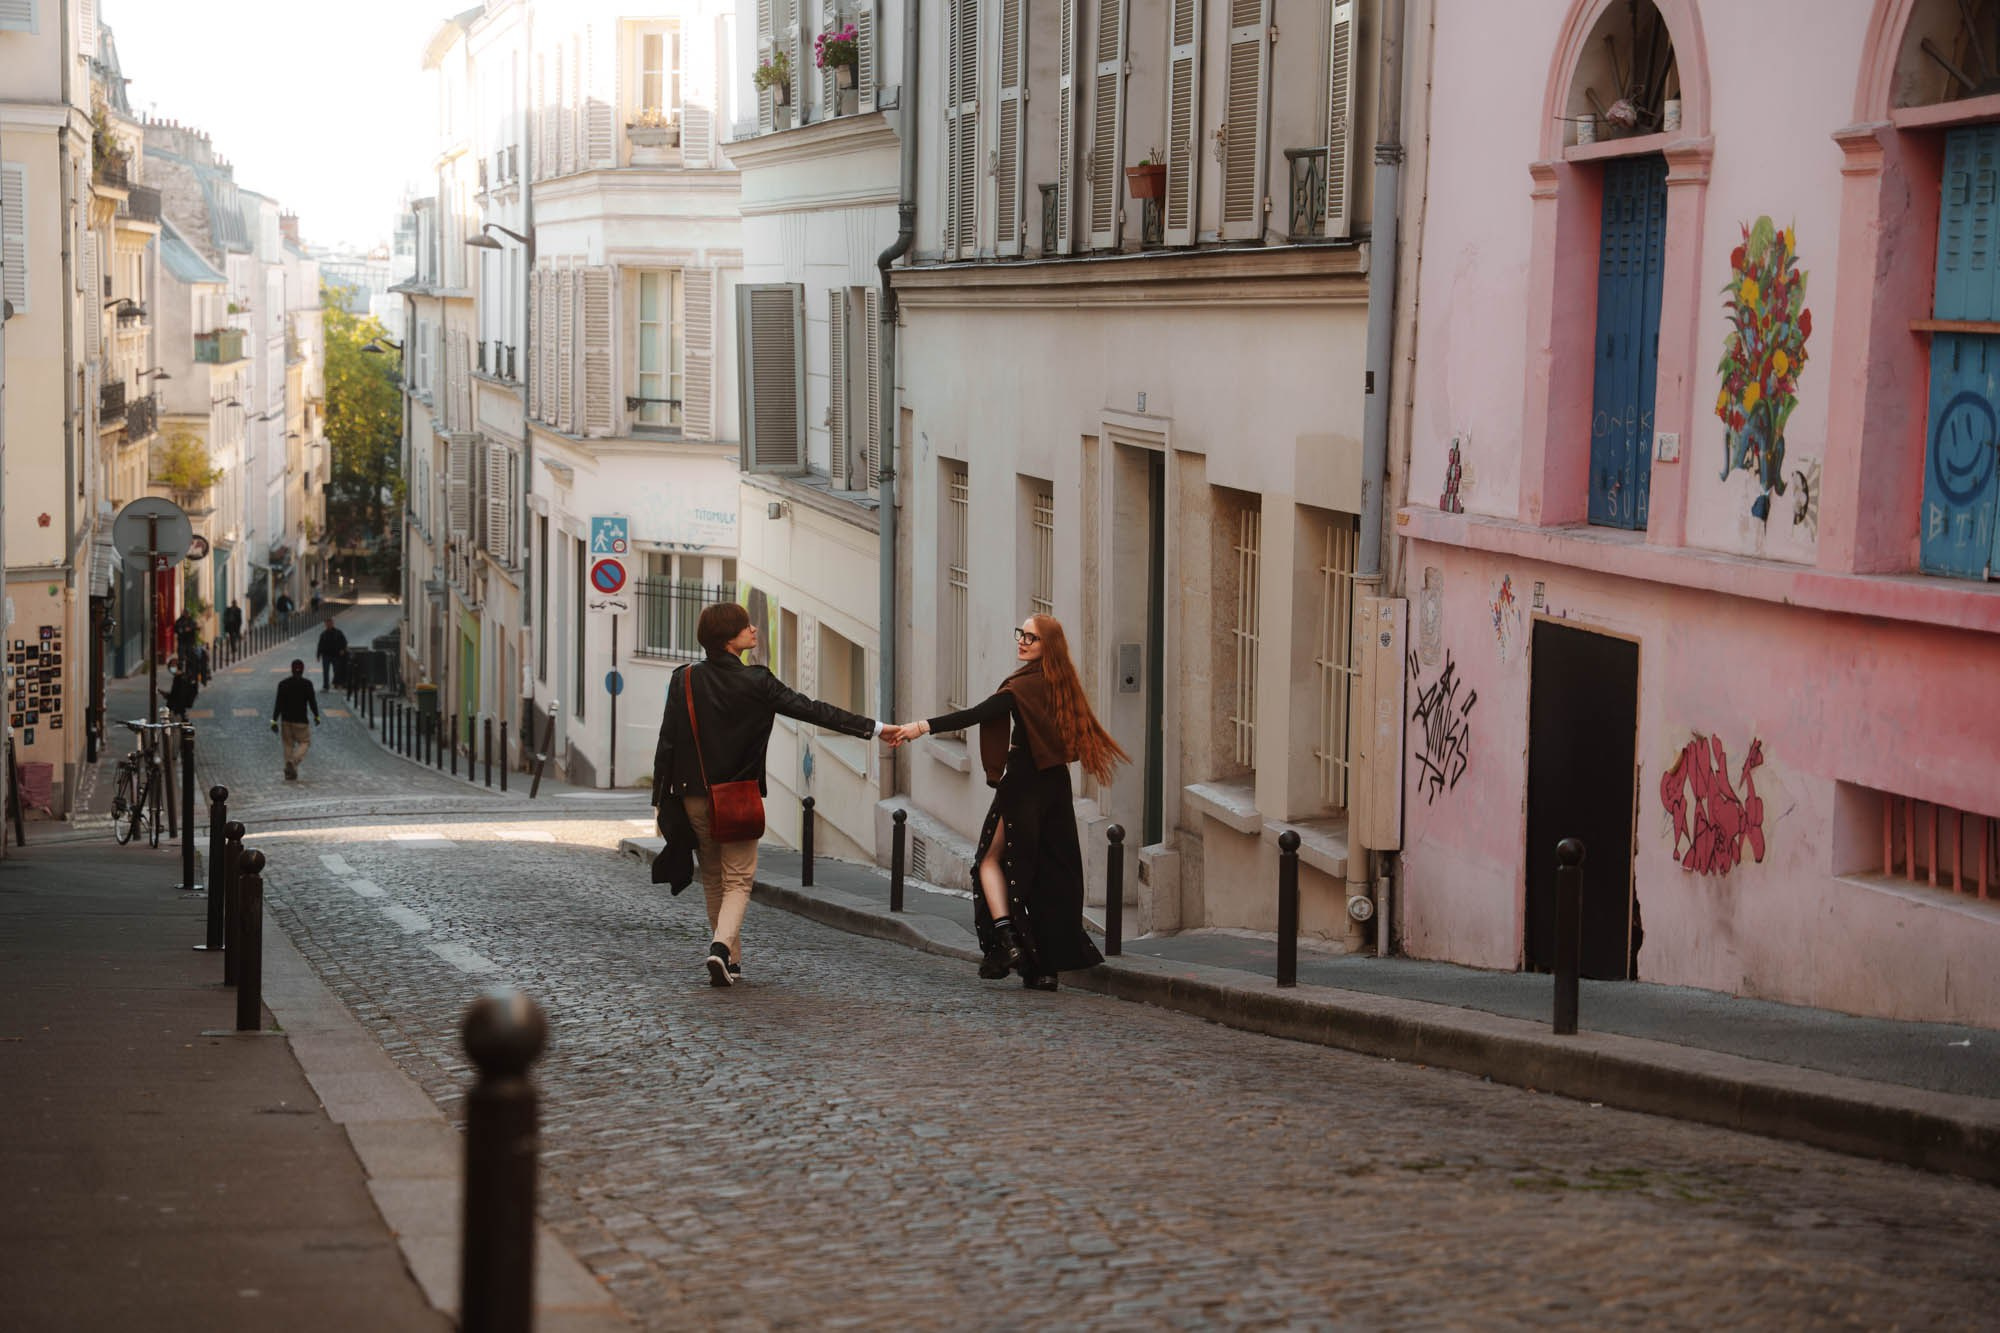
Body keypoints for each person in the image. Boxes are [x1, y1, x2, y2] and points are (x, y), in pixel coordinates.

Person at [651, 602, 897, 987]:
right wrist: (877, 728)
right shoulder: (757, 682)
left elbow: (666, 743)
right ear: (731, 640)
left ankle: (730, 960)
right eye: (745, 626)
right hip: (737, 798)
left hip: (693, 796)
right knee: (738, 880)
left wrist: (659, 802)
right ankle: (720, 950)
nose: (754, 629)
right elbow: (813, 711)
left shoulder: (683, 679)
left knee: (714, 877)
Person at [890, 613, 1129, 992]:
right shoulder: (1064, 684)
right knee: (1046, 870)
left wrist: (920, 727)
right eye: (1021, 634)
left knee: (990, 860)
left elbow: (976, 714)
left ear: (1046, 645)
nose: (1022, 641)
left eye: (1031, 638)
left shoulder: (1020, 688)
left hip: (1021, 784)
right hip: (1054, 785)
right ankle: (1043, 968)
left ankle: (1008, 940)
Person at [271, 658, 322, 781]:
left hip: (286, 721)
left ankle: (289, 771)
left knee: (288, 745)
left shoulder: (283, 684)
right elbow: (312, 702)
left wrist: (274, 720)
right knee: (305, 742)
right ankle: (293, 762)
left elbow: (278, 704)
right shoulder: (307, 684)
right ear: (303, 670)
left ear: (292, 669)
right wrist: (316, 716)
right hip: (301, 721)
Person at [315, 617, 348, 689]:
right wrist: (318, 655)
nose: (328, 625)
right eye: (327, 624)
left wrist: (343, 650)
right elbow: (320, 645)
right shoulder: (323, 634)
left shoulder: (338, 633)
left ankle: (336, 683)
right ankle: (326, 685)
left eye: (330, 623)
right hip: (326, 656)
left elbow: (344, 642)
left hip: (335, 655)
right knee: (325, 672)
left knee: (336, 671)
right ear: (325, 625)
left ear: (332, 624)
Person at [164, 658, 199, 722]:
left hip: (178, 709)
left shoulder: (180, 679)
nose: (172, 669)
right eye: (171, 667)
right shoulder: (181, 677)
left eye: (173, 666)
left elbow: (178, 695)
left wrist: (168, 697)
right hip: (179, 708)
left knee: (179, 723)